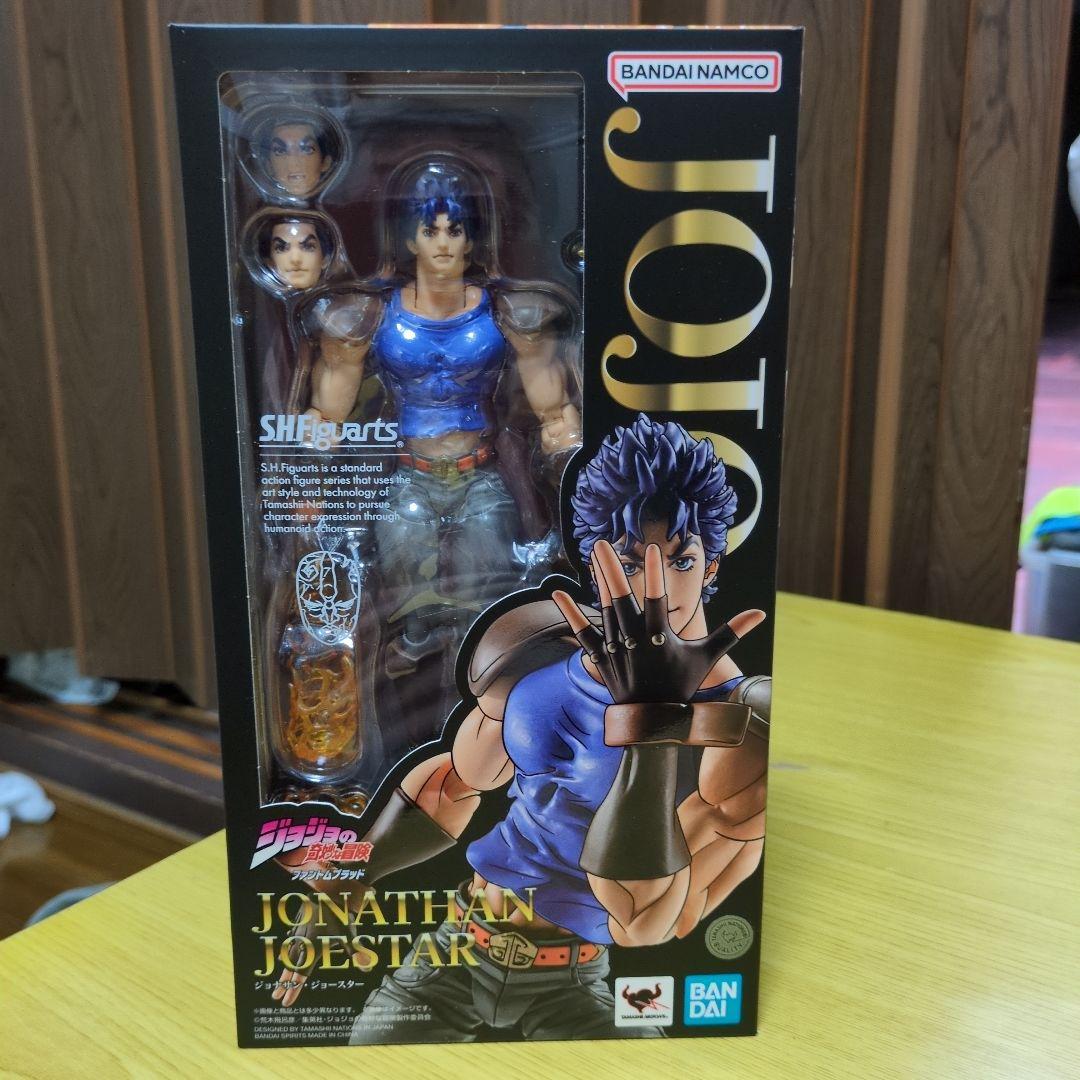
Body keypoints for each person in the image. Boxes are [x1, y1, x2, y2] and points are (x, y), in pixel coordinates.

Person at [271, 415, 771, 1041]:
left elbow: (644, 922)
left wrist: (649, 724)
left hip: (573, 986)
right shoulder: (538, 649)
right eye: (628, 559)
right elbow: (456, 782)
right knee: (368, 1051)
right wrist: (350, 874)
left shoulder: (741, 721)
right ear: (596, 562)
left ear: (712, 564)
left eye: (682, 559)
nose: (656, 585)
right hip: (455, 948)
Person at [294, 156, 581, 738]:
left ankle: (489, 721)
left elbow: (555, 412)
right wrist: (308, 485)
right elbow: (326, 415)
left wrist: (573, 465)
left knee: (489, 603)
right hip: (408, 477)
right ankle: (412, 713)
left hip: (481, 477)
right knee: (404, 611)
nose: (445, 243)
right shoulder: (371, 315)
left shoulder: (507, 312)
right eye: (432, 230)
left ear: (473, 239)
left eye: (456, 230)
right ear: (411, 239)